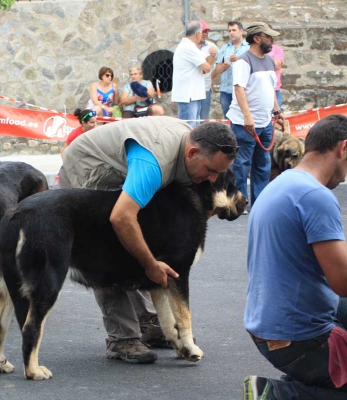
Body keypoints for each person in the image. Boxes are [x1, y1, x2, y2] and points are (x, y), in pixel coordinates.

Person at [61, 116, 238, 363]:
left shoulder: (195, 142)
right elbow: (122, 218)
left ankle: (153, 323)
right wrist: (150, 265)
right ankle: (122, 337)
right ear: (193, 152)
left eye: (218, 174)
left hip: (129, 169)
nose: (212, 180)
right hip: (89, 166)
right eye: (210, 171)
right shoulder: (153, 165)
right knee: (112, 248)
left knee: (145, 237)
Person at [243, 114, 347, 399]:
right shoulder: (316, 196)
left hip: (267, 321)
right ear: (343, 148)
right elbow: (343, 282)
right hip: (295, 336)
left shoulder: (284, 183)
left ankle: (307, 380)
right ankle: (280, 394)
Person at [227, 22, 284, 208]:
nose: (272, 40)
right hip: (245, 124)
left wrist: (277, 111)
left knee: (262, 164)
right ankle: (239, 202)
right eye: (268, 37)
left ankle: (260, 204)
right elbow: (239, 90)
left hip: (265, 122)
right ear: (257, 38)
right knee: (242, 164)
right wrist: (247, 117)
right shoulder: (244, 61)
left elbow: (271, 89)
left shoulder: (268, 61)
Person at [171, 21, 216, 127]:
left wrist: (212, 56)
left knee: (194, 128)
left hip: (192, 95)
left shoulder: (189, 46)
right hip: (188, 96)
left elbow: (205, 67)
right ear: (198, 33)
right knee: (189, 129)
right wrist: (211, 59)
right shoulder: (189, 48)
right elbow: (207, 67)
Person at [212, 21, 249, 118]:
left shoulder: (249, 47)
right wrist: (224, 66)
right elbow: (217, 70)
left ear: (241, 31)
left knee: (242, 117)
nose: (231, 33)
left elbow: (252, 66)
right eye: (229, 31)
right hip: (226, 89)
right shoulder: (224, 48)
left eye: (234, 30)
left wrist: (239, 59)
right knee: (227, 117)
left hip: (242, 89)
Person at [197, 20, 218, 120]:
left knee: (204, 117)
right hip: (191, 88)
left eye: (206, 32)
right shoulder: (189, 46)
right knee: (192, 117)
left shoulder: (212, 46)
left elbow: (219, 64)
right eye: (203, 31)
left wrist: (212, 77)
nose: (205, 34)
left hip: (205, 87)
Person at [268, 38, 284, 107]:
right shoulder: (257, 51)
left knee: (277, 115)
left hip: (275, 88)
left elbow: (277, 65)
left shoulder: (277, 49)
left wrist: (260, 63)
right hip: (260, 90)